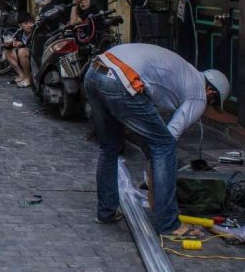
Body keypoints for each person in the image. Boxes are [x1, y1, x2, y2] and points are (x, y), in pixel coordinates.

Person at [84, 43, 230, 237]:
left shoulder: (186, 72)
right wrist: (155, 176)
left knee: (109, 146)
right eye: (212, 103)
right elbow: (168, 138)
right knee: (165, 146)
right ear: (211, 93)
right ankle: (169, 224)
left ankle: (106, 212)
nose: (207, 108)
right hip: (122, 79)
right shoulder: (199, 95)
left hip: (95, 71)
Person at [3, 12, 34, 88]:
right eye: (25, 23)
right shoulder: (20, 33)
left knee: (21, 51)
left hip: (34, 57)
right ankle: (22, 75)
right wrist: (9, 45)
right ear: (20, 25)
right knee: (7, 53)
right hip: (24, 57)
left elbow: (35, 47)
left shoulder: (35, 32)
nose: (28, 25)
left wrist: (22, 44)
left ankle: (28, 78)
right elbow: (11, 45)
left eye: (30, 22)